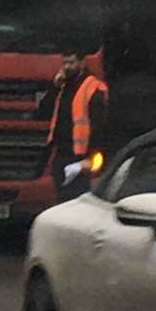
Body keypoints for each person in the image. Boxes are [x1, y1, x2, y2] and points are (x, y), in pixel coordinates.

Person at [47, 48, 109, 202]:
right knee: (61, 200)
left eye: (71, 63)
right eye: (65, 63)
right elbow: (43, 111)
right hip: (60, 154)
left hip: (80, 158)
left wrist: (89, 158)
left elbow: (99, 126)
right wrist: (54, 87)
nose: (67, 67)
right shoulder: (63, 86)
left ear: (81, 62)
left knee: (77, 200)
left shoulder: (94, 87)